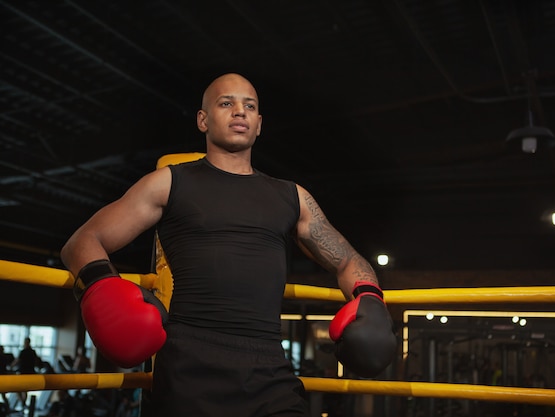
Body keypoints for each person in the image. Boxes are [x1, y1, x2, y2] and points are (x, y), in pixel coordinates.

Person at [60, 73, 396, 416]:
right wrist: (102, 288)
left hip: (269, 373)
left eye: (249, 106)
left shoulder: (292, 196)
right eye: (227, 103)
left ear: (259, 123)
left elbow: (347, 260)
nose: (240, 112)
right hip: (188, 372)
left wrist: (369, 297)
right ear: (203, 120)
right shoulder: (169, 183)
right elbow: (82, 241)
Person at [10, 337, 40, 409]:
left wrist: (10, 366)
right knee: (24, 389)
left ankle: (22, 403)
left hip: (23, 372)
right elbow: (36, 362)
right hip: (30, 372)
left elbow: (17, 360)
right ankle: (23, 403)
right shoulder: (33, 352)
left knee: (19, 389)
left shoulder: (23, 352)